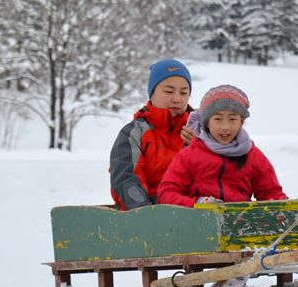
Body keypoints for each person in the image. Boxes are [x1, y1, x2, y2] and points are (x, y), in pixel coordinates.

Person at [157, 84, 288, 205]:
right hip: (197, 223)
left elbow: (270, 192)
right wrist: (197, 205)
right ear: (207, 122)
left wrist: (281, 206)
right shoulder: (190, 155)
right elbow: (167, 192)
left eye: (232, 119)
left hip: (238, 223)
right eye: (218, 119)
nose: (225, 127)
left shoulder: (253, 155)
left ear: (241, 122)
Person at [110, 58, 193, 210]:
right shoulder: (134, 133)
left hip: (195, 212)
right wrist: (146, 215)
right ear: (152, 93)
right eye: (169, 91)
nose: (177, 99)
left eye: (184, 92)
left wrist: (200, 147)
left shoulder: (200, 133)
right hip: (151, 214)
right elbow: (126, 179)